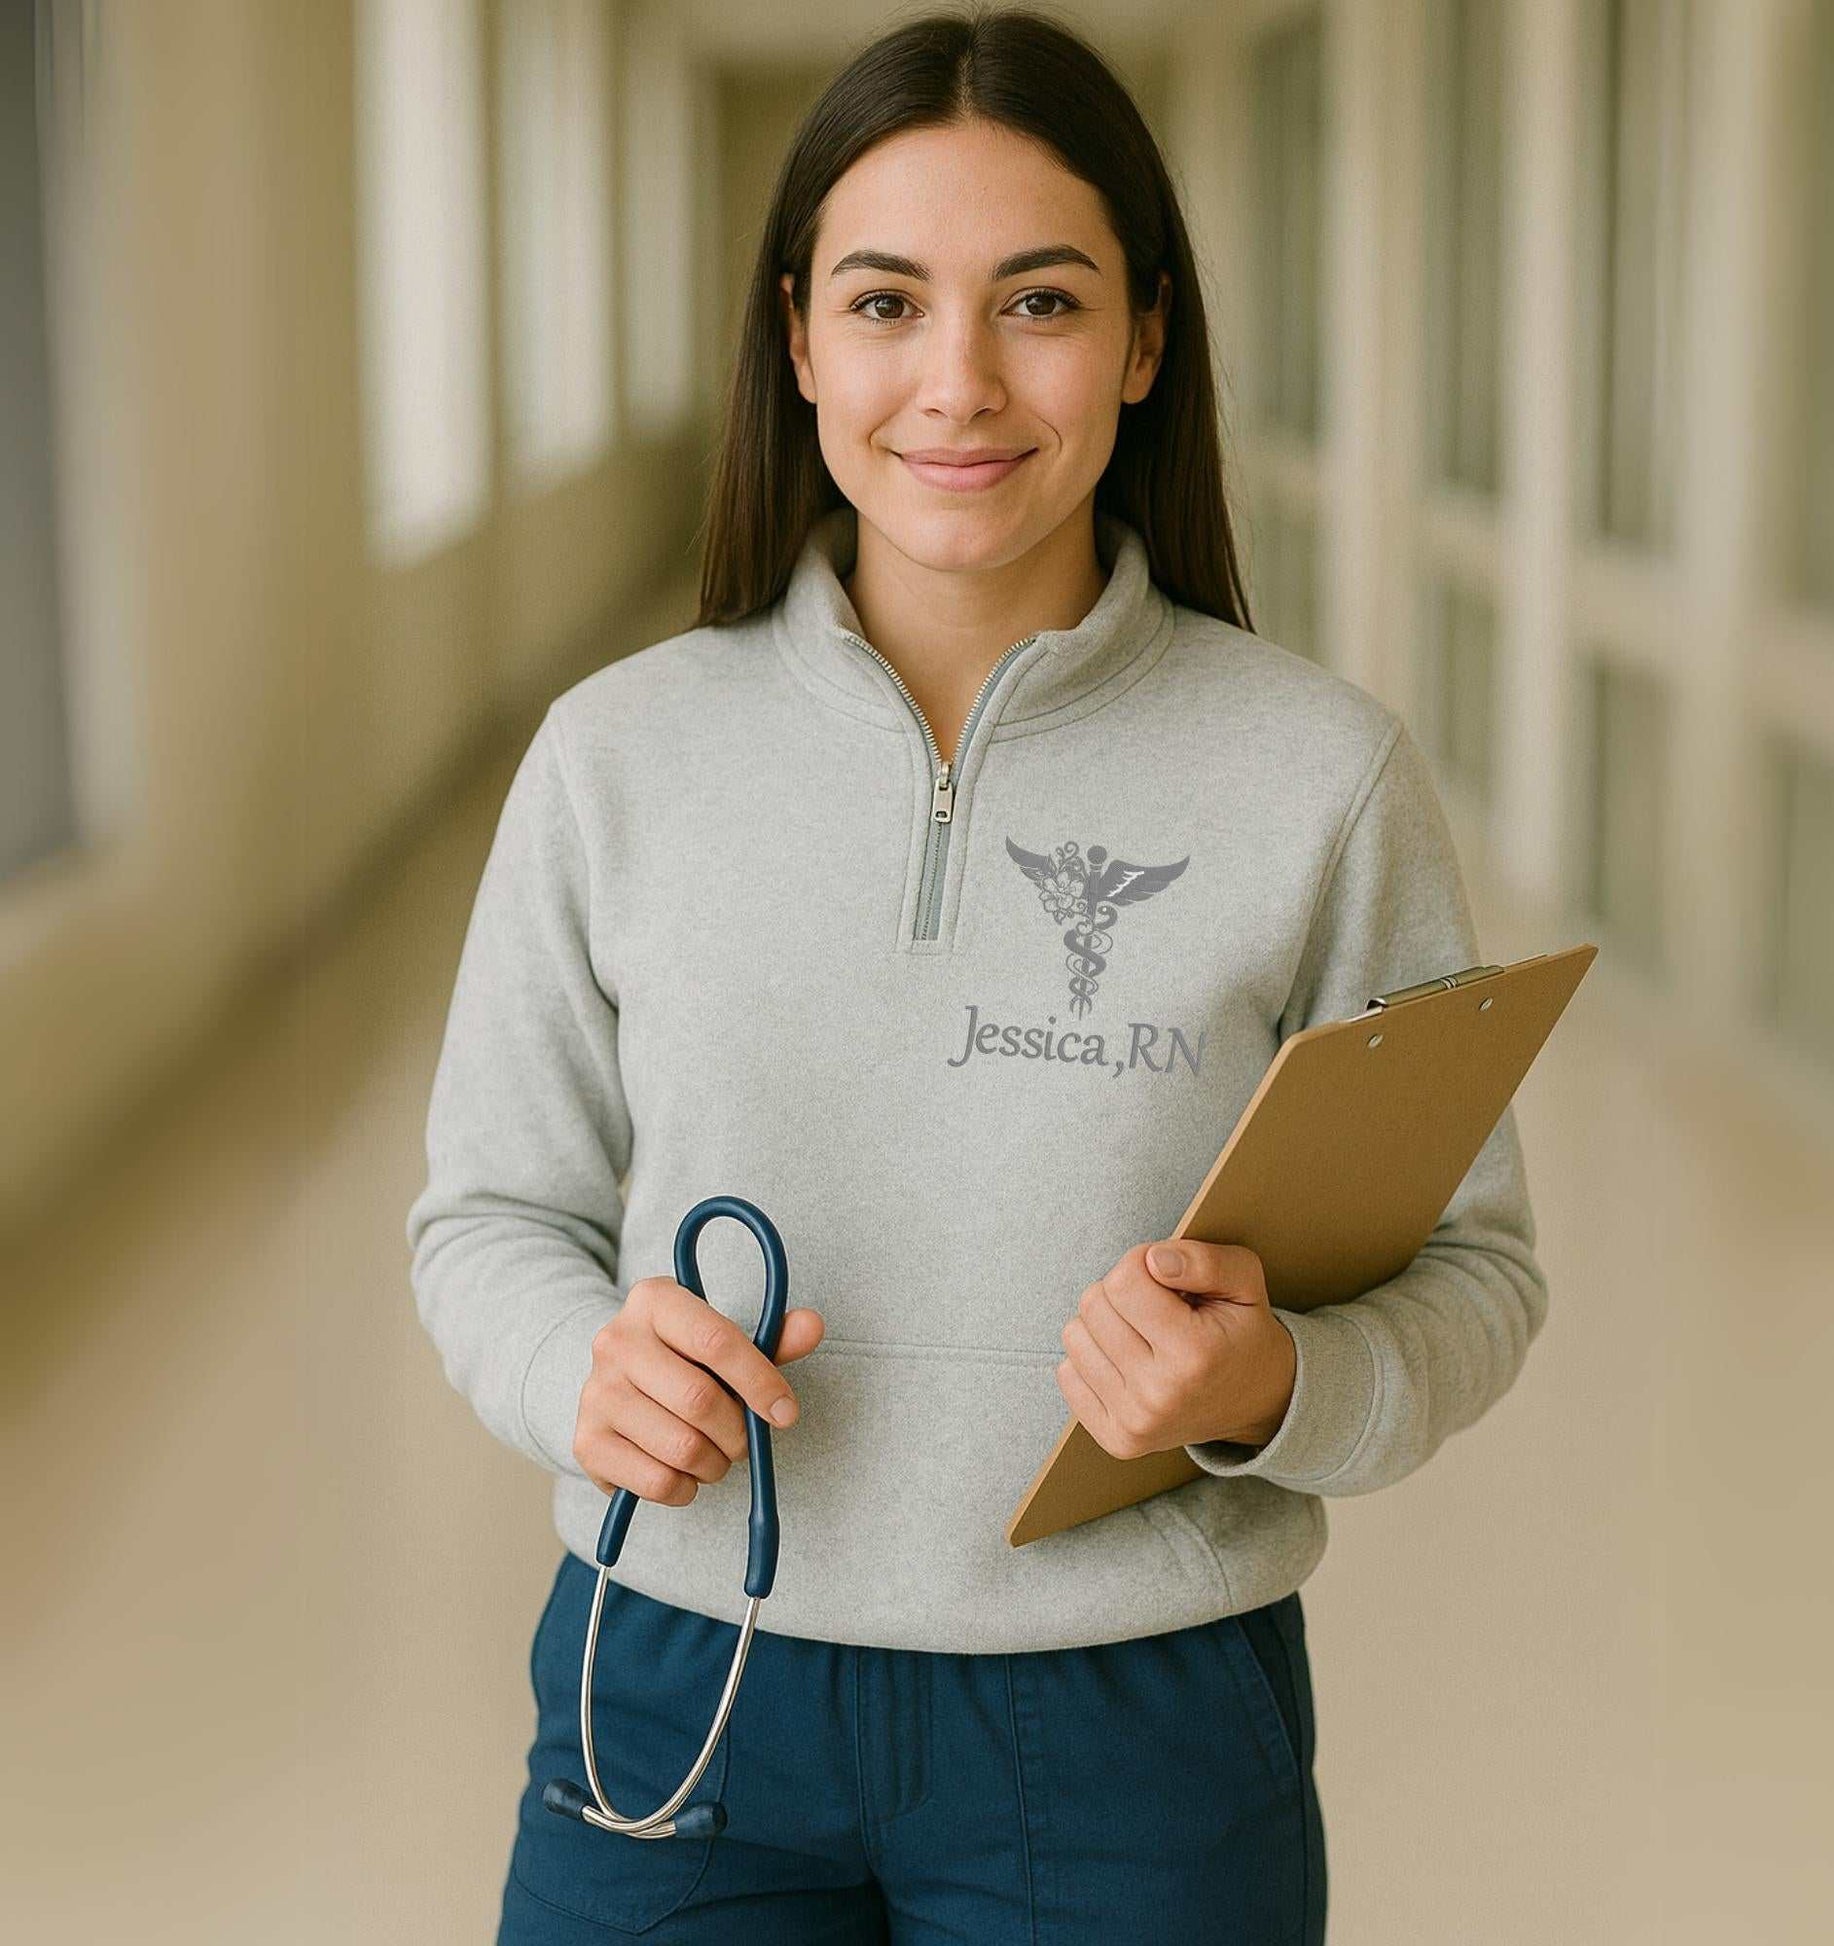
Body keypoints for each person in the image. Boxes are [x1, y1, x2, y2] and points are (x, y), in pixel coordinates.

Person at [405, 7, 1549, 1941]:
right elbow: (489, 1217)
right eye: (883, 303)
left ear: (1145, 339)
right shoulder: (617, 755)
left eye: (1039, 302)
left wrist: (1278, 1377)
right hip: (677, 1673)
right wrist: (572, 1369)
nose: (957, 383)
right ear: (796, 339)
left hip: (1129, 1723)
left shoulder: (1317, 775)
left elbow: (1476, 1274)